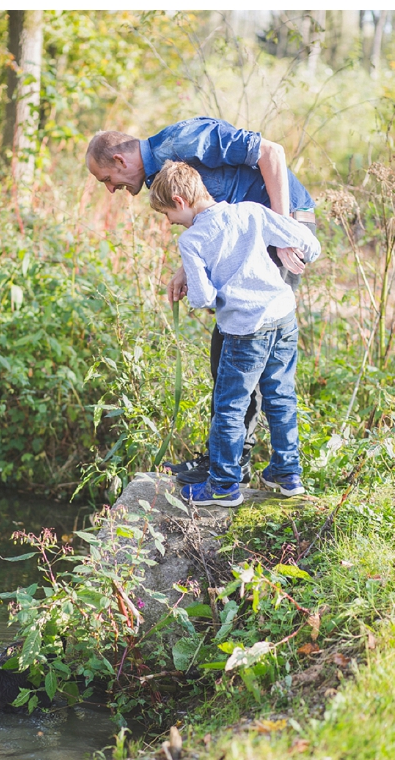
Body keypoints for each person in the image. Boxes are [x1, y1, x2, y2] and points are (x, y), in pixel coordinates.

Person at [85, 118, 317, 485]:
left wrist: (284, 231)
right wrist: (189, 269)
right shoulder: (167, 174)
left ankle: (231, 469)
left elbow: (272, 153)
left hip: (279, 227)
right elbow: (213, 219)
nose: (111, 190)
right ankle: (238, 463)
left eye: (106, 181)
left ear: (119, 160)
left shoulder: (185, 139)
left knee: (243, 352)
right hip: (254, 235)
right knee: (234, 351)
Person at [148, 160, 321, 507]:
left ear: (180, 202)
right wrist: (304, 257)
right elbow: (303, 238)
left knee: (229, 406)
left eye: (167, 214)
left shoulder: (193, 239)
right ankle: (288, 474)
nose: (169, 222)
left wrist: (210, 296)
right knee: (281, 396)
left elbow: (203, 297)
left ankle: (224, 485)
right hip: (283, 317)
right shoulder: (251, 211)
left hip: (244, 331)